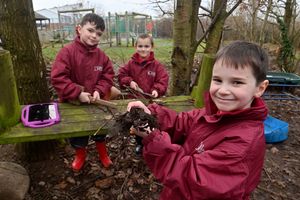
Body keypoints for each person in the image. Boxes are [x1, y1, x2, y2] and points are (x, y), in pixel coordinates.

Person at [127, 41, 269, 199]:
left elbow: (193, 180)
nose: (222, 90)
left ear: (260, 88)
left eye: (237, 82)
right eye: (217, 80)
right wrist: (151, 115)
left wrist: (153, 139)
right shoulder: (215, 113)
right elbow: (182, 122)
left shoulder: (243, 143)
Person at [51, 13, 119, 171]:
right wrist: (77, 93)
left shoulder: (102, 56)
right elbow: (58, 78)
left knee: (100, 130)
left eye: (99, 34)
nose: (94, 36)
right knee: (78, 135)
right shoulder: (67, 52)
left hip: (97, 104)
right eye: (90, 30)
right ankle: (80, 155)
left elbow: (108, 75)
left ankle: (103, 153)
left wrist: (99, 90)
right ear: (79, 29)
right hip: (74, 104)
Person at [118, 33, 169, 155]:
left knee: (150, 125)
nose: (143, 49)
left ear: (152, 47)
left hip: (150, 103)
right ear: (136, 46)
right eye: (140, 46)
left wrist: (156, 90)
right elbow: (121, 75)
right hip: (135, 102)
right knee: (138, 125)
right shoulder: (131, 63)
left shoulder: (156, 66)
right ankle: (140, 144)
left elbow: (163, 80)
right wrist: (130, 81)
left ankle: (151, 144)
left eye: (146, 46)